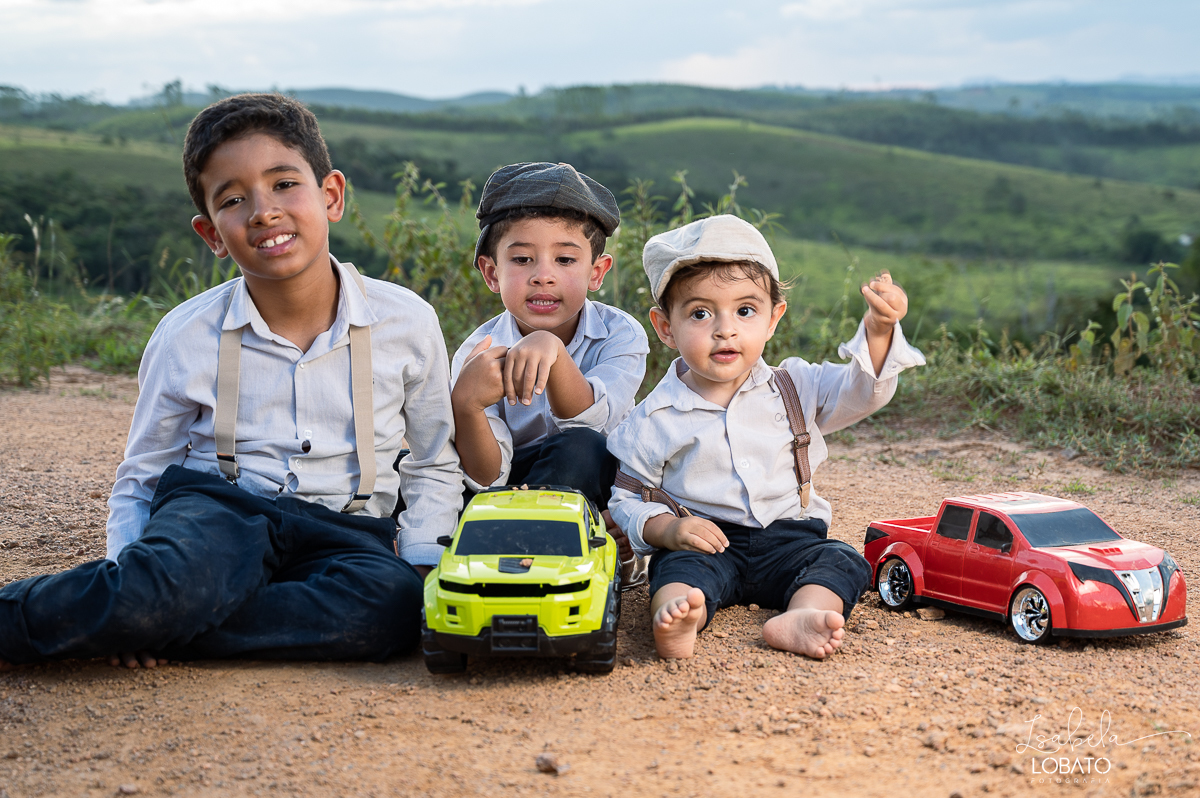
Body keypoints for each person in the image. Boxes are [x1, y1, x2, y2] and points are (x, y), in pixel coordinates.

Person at [0, 93, 462, 670]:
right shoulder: (186, 336)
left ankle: (165, 621)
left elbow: (434, 461)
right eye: (234, 200)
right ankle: (129, 609)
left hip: (349, 528)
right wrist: (133, 573)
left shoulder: (407, 321)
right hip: (219, 512)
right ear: (212, 233)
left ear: (332, 196)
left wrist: (421, 558)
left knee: (393, 606)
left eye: (285, 184)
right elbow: (142, 473)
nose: (264, 212)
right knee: (157, 590)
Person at [607, 215, 925, 660]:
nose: (725, 328)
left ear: (773, 318)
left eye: (745, 310)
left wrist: (878, 331)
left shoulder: (794, 385)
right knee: (677, 572)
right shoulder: (654, 417)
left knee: (841, 560)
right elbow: (627, 499)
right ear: (665, 327)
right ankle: (681, 617)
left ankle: (803, 614)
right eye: (700, 313)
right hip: (708, 543)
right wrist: (670, 529)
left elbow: (860, 391)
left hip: (791, 541)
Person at [450, 162, 648, 527]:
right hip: (509, 484)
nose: (543, 276)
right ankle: (515, 536)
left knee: (581, 447)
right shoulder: (479, 352)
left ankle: (538, 538)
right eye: (522, 259)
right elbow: (485, 478)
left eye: (565, 259)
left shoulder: (620, 334)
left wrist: (552, 350)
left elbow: (590, 422)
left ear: (597, 272)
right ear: (492, 273)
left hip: (595, 475)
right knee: (421, 467)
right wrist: (467, 407)